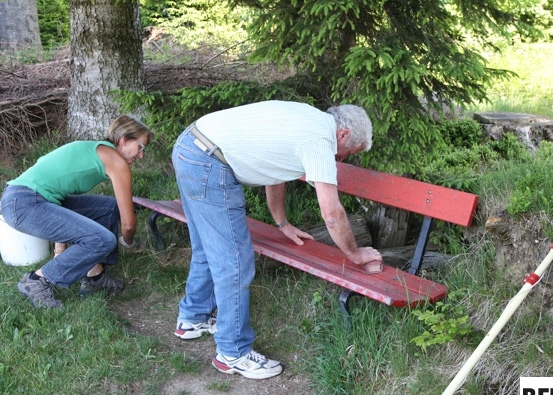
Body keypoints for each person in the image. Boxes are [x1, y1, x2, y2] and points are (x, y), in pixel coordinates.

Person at [171, 100, 382, 380]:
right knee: (235, 263)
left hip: (191, 146)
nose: (341, 160)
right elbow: (332, 213)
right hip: (210, 163)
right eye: (348, 153)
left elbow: (274, 170)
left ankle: (193, 317)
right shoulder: (319, 140)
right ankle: (233, 352)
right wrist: (355, 254)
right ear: (343, 135)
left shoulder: (310, 119)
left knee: (207, 247)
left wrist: (282, 223)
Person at [0, 114, 151, 308]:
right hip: (25, 202)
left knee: (107, 208)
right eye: (141, 147)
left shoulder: (93, 150)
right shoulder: (116, 161)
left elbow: (59, 204)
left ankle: (95, 277)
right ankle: (37, 280)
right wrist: (128, 242)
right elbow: (128, 223)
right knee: (102, 239)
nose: (141, 155)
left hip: (22, 198)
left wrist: (59, 250)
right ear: (124, 140)